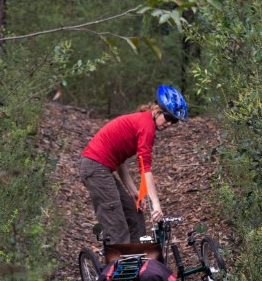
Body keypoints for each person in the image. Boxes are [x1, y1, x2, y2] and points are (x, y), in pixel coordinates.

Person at [79, 84, 188, 245]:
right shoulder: (147, 126)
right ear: (157, 110)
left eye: (175, 121)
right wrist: (156, 204)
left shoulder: (144, 122)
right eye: (169, 117)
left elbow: (120, 160)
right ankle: (120, 268)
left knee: (134, 214)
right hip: (94, 167)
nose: (170, 123)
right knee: (117, 224)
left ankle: (141, 263)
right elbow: (145, 168)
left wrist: (132, 190)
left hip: (101, 167)